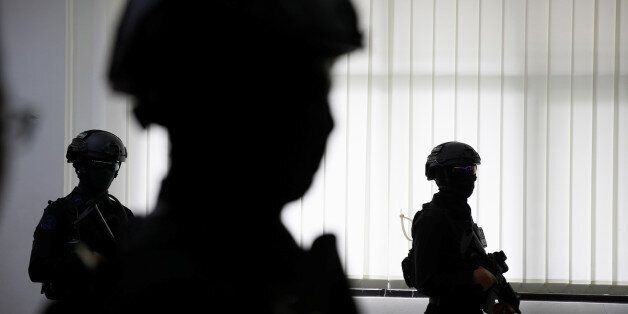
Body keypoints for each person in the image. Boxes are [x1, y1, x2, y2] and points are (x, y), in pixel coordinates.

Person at [106, 0, 362, 313]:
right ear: (215, 106)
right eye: (298, 92)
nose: (327, 122)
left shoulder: (274, 269)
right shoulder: (165, 293)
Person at [28, 129, 134, 313]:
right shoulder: (60, 212)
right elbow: (37, 270)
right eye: (102, 165)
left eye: (114, 166)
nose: (109, 173)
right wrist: (80, 262)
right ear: (82, 166)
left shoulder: (123, 214)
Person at [413, 141, 517, 314]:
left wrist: (494, 305)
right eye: (462, 170)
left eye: (472, 169)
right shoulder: (431, 218)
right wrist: (471, 277)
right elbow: (425, 282)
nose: (471, 177)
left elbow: (461, 262)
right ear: (442, 174)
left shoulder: (460, 214)